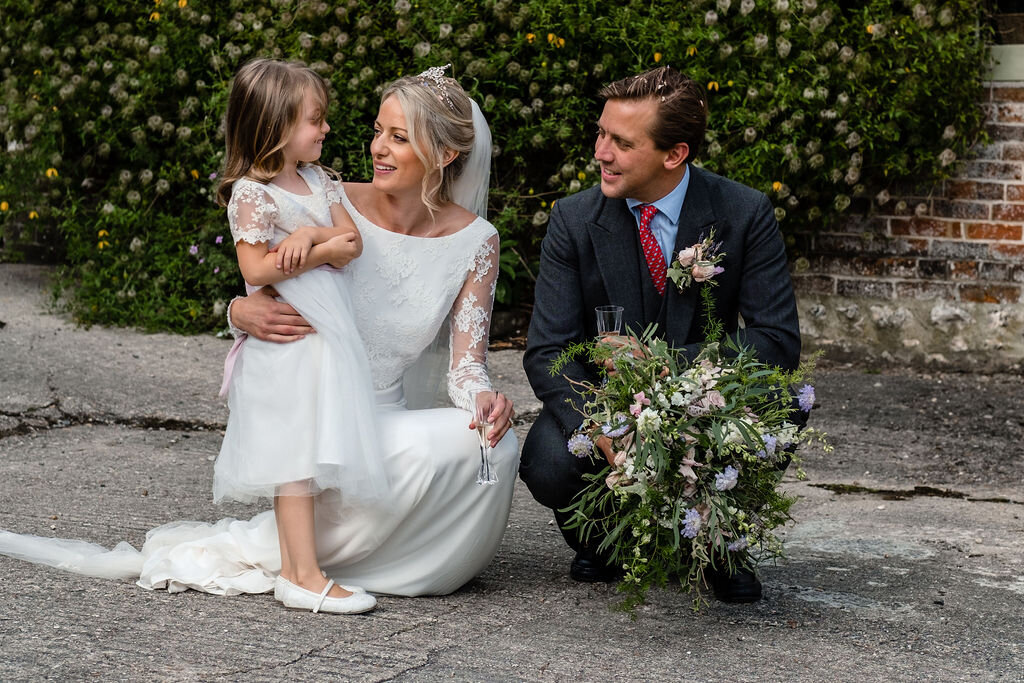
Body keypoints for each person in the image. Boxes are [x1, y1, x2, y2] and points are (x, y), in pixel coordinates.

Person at [0, 65, 518, 601]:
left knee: (490, 446)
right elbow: (267, 278)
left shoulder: (476, 241)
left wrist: (480, 395)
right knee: (426, 458)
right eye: (377, 130)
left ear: (447, 154)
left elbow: (466, 365)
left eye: (399, 137)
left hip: (384, 421)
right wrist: (237, 312)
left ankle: (382, 559)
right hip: (318, 415)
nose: (377, 148)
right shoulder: (330, 194)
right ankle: (311, 562)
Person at [519, 66, 801, 604]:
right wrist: (600, 425)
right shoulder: (573, 219)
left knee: (785, 408)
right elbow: (548, 350)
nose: (601, 152)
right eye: (601, 133)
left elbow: (776, 340)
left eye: (622, 142)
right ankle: (601, 538)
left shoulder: (744, 213)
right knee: (549, 461)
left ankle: (720, 539)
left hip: (706, 397)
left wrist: (664, 359)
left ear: (675, 154)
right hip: (609, 404)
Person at [215, 58, 383, 614]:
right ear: (277, 125)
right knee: (295, 462)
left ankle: (299, 571)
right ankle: (302, 576)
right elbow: (258, 270)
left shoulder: (318, 181)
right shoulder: (252, 194)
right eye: (316, 119)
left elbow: (351, 242)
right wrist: (324, 250)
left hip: (323, 339)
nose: (326, 129)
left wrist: (311, 234)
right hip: (285, 342)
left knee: (309, 455)